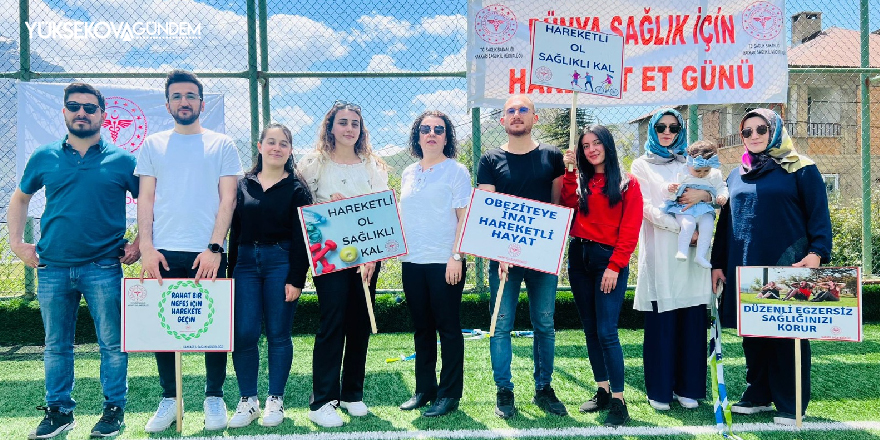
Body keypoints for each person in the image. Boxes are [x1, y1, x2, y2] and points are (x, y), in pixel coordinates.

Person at [9, 83, 139, 439]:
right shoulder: (44, 156)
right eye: (74, 106)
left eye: (89, 107)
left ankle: (113, 410)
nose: (82, 112)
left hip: (103, 267)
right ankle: (59, 411)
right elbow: (20, 199)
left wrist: (140, 241)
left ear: (102, 114)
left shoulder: (124, 160)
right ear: (64, 112)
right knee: (56, 345)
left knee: (112, 343)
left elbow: (149, 204)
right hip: (52, 267)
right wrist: (18, 244)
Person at [137, 70, 244, 432]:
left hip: (207, 253)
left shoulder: (222, 144)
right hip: (164, 252)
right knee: (163, 328)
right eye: (177, 96)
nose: (185, 102)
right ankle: (171, 398)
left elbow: (228, 199)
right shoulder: (153, 144)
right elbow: (146, 199)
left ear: (201, 102)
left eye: (191, 96)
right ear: (168, 104)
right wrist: (147, 248)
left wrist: (215, 247)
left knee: (213, 327)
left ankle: (214, 396)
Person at [711, 108, 831, 425]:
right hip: (746, 264)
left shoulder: (801, 168)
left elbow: (819, 213)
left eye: (761, 129)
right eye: (746, 132)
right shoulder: (737, 174)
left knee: (787, 334)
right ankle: (759, 394)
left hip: (786, 261)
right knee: (754, 333)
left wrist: (818, 251)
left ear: (775, 130)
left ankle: (791, 404)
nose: (753, 136)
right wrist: (718, 263)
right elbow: (727, 223)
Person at [297, 101, 389, 428]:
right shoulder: (314, 164)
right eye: (343, 122)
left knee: (359, 324)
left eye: (355, 123)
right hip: (331, 254)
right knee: (332, 323)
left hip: (366, 258)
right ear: (330, 127)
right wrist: (328, 208)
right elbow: (303, 206)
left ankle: (352, 394)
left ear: (361, 129)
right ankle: (322, 400)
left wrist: (373, 258)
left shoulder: (373, 165)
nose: (349, 128)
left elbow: (380, 211)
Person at [476, 94, 567, 419]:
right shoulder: (489, 160)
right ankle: (505, 390)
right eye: (510, 111)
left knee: (544, 323)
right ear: (502, 120)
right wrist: (499, 250)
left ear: (535, 118)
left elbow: (556, 209)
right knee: (500, 325)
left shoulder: (552, 157)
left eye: (523, 110)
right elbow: (488, 211)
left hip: (542, 258)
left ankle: (544, 388)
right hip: (503, 260)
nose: (516, 115)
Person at [225, 123, 312, 428]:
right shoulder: (242, 184)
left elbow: (303, 237)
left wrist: (296, 278)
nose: (277, 148)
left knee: (278, 334)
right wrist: (230, 273)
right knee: (244, 333)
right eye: (271, 142)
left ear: (290, 150)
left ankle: (276, 399)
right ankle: (248, 400)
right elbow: (234, 233)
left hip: (281, 263)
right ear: (260, 146)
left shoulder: (297, 189)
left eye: (284, 143)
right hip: (245, 265)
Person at [631, 108, 713, 411]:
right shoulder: (641, 165)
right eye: (662, 127)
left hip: (693, 255)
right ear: (653, 130)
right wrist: (681, 229)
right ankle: (660, 390)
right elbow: (646, 208)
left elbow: (712, 192)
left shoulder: (693, 163)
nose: (668, 132)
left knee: (692, 322)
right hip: (662, 252)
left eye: (674, 128)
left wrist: (704, 203)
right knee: (662, 324)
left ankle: (689, 388)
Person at [560, 125, 642, 426]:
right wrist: (569, 173)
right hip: (578, 257)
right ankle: (603, 389)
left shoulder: (627, 183)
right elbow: (566, 209)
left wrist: (615, 264)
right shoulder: (580, 180)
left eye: (596, 143)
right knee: (591, 329)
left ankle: (619, 401)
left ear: (608, 145)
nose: (591, 149)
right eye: (585, 146)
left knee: (607, 330)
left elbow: (630, 229)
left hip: (607, 259)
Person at [397, 111, 470, 417]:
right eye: (425, 129)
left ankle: (449, 393)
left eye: (438, 129)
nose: (431, 133)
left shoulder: (457, 171)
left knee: (448, 328)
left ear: (446, 136)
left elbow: (464, 219)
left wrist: (456, 257)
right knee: (422, 328)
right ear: (417, 135)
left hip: (444, 262)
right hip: (412, 262)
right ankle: (424, 389)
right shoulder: (408, 172)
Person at [663, 141, 728, 269]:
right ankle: (682, 250)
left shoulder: (714, 175)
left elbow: (722, 187)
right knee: (688, 224)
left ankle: (701, 256)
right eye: (698, 170)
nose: (702, 174)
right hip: (684, 207)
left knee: (708, 226)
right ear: (689, 163)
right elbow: (667, 187)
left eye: (706, 170)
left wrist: (722, 196)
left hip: (704, 208)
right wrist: (669, 188)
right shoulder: (681, 172)